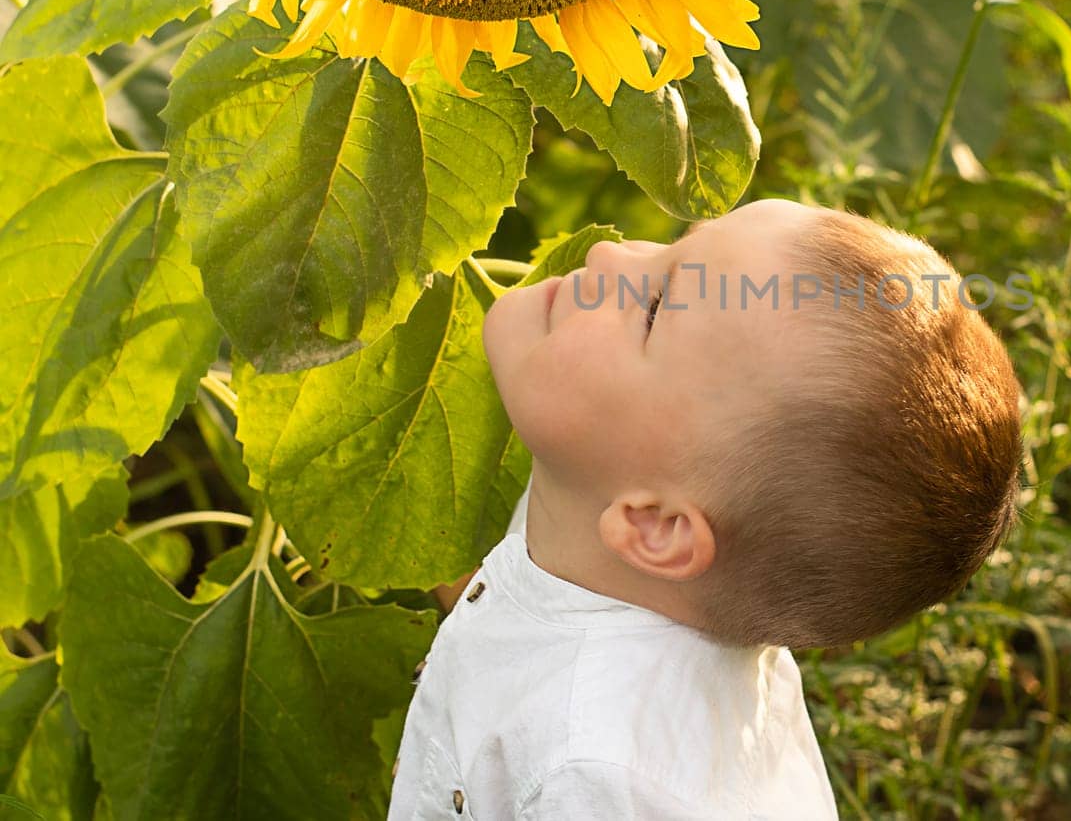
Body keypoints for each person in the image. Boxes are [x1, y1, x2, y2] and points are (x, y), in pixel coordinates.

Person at [387, 198, 1024, 819]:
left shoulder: (595, 772)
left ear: (658, 527)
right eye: (672, 251)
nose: (609, 254)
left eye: (654, 310)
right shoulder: (598, 517)